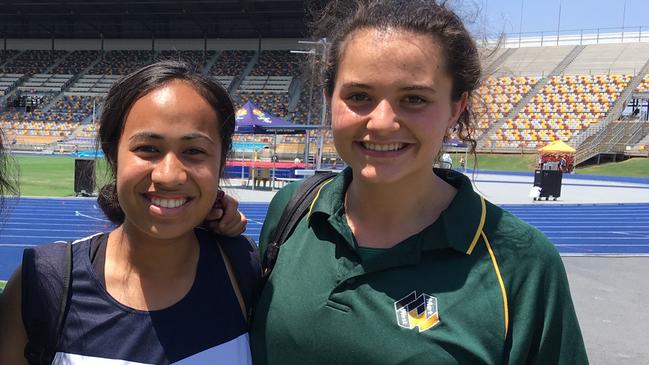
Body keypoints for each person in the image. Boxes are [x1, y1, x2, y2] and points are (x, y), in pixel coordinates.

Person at [247, 1, 588, 364]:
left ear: (456, 107)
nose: (381, 122)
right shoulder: (293, 211)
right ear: (330, 97)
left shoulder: (522, 262)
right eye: (359, 96)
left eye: (413, 99)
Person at [0, 61, 258, 364]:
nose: (169, 175)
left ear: (221, 163)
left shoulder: (244, 269)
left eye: (194, 151)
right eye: (148, 148)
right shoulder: (41, 286)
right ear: (113, 156)